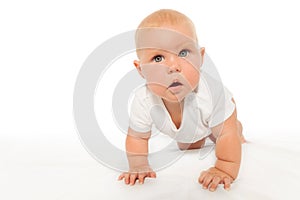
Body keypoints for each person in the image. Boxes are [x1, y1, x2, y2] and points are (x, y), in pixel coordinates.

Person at [118, 9, 245, 192]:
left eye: (183, 53)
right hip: (188, 128)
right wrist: (138, 165)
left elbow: (226, 135)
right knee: (189, 144)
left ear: (201, 57)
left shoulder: (211, 93)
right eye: (158, 58)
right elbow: (137, 136)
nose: (173, 66)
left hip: (219, 113)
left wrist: (223, 167)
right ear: (141, 70)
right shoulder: (143, 100)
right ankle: (199, 135)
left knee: (224, 132)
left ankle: (237, 128)